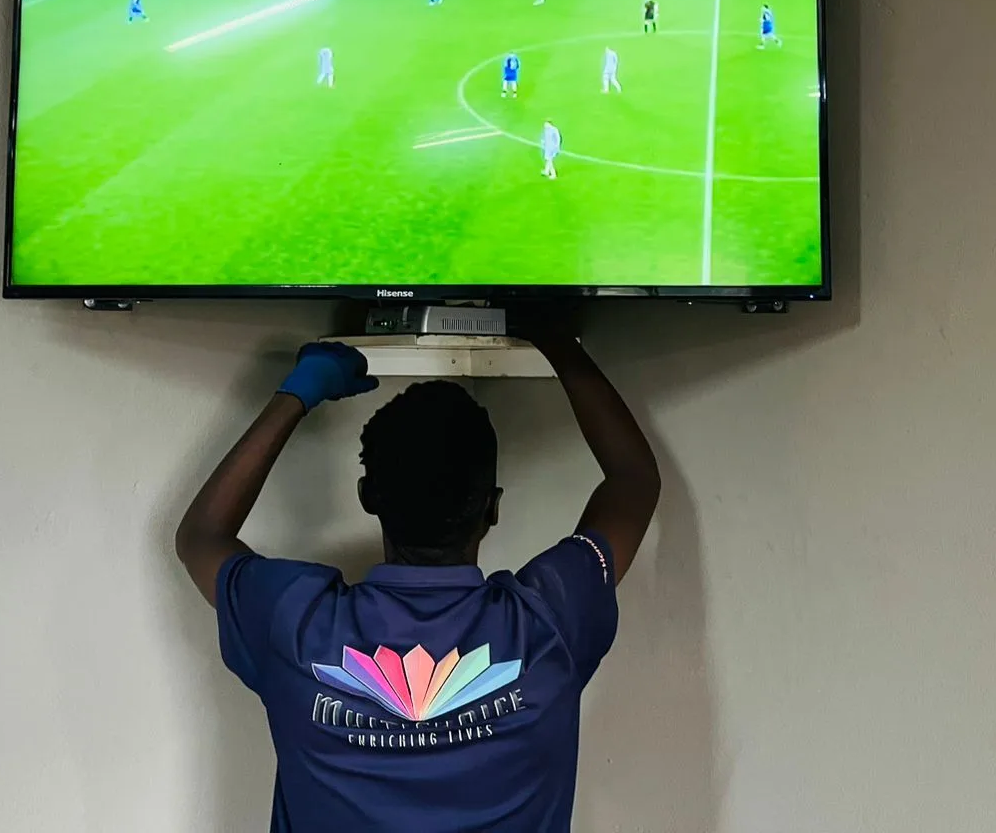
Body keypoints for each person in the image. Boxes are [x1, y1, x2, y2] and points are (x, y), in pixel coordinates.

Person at [175, 337, 660, 833]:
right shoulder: (550, 619)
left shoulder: (294, 621)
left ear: (368, 497)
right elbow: (634, 480)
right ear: (492, 507)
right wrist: (556, 337)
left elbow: (202, 535)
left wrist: (298, 392)